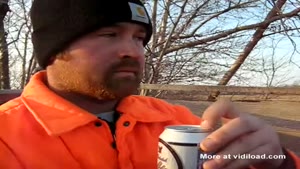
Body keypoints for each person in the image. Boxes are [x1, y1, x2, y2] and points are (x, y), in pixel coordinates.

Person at [0, 0, 299, 168]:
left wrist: (274, 161)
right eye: (109, 35)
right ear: (55, 50)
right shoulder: (8, 137)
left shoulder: (177, 122)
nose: (133, 51)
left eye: (139, 38)